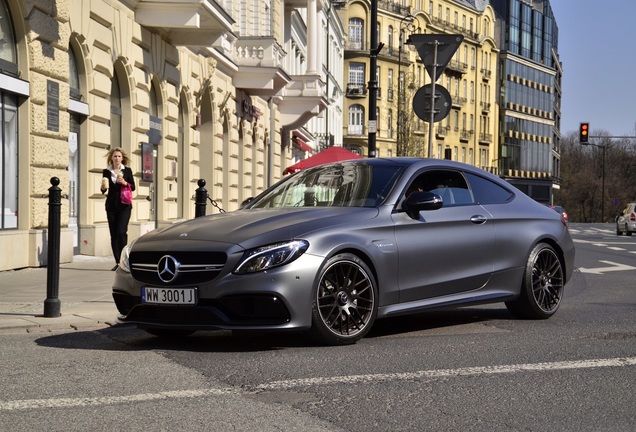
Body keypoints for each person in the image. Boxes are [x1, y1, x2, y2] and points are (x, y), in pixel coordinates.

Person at [101, 147, 136, 270]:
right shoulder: (106, 171)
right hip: (111, 206)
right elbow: (104, 190)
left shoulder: (127, 171)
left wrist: (125, 183)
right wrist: (103, 187)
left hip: (124, 205)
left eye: (119, 156)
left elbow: (133, 187)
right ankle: (118, 262)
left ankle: (124, 260)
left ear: (122, 158)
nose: (117, 158)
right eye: (115, 156)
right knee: (114, 234)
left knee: (121, 232)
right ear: (111, 158)